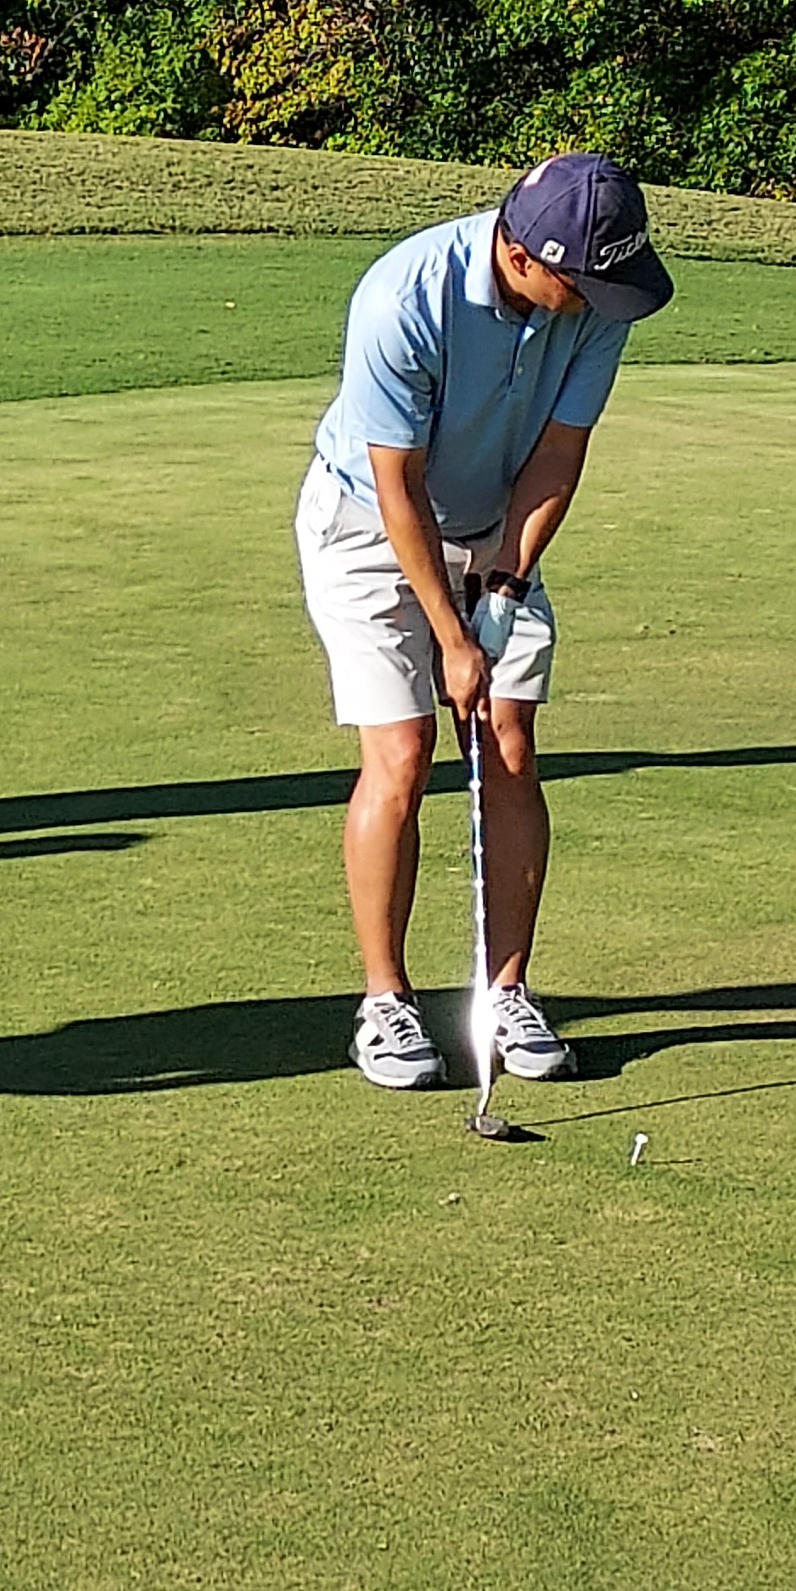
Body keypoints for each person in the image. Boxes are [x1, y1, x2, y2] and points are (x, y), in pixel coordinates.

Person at [293, 151, 674, 1091]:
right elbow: (397, 485)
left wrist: (502, 588)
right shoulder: (403, 299)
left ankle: (507, 991)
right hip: (368, 523)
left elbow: (558, 454)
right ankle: (385, 1003)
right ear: (521, 256)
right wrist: (453, 638)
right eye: (583, 287)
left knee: (508, 741)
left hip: (497, 521)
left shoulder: (595, 305)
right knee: (404, 749)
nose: (597, 305)